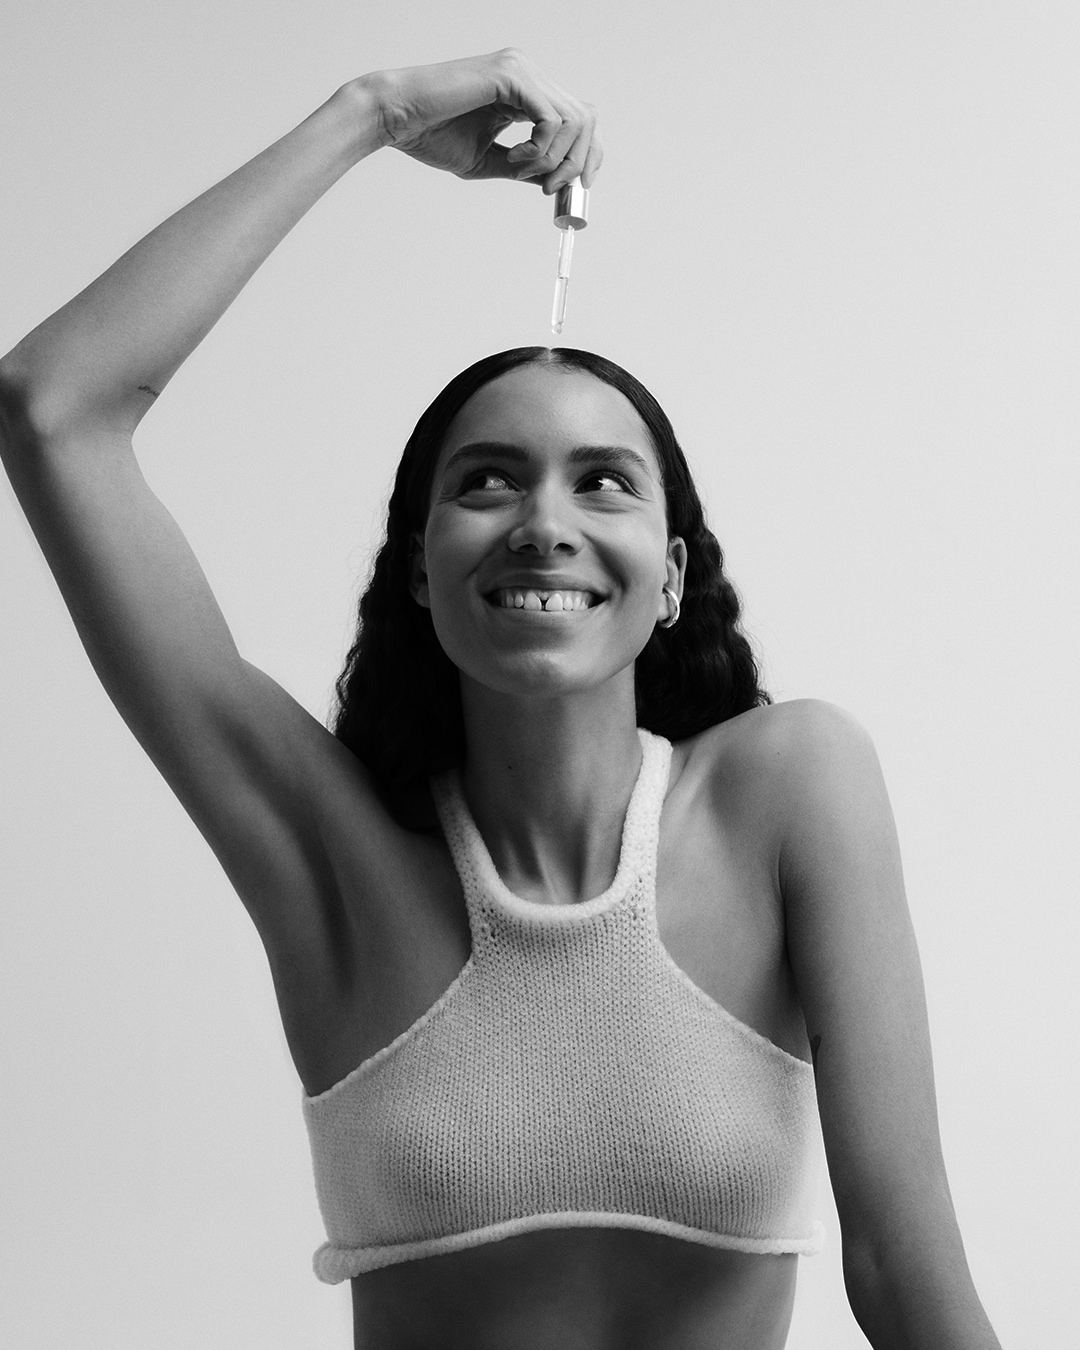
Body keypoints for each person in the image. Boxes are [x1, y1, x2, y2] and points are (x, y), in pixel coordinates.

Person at [0, 48, 1001, 1350]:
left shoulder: (791, 785)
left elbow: (903, 1257)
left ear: (670, 576)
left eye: (601, 481)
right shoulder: (334, 856)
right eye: (487, 482)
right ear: (421, 566)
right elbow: (53, 404)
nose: (543, 522)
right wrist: (372, 112)